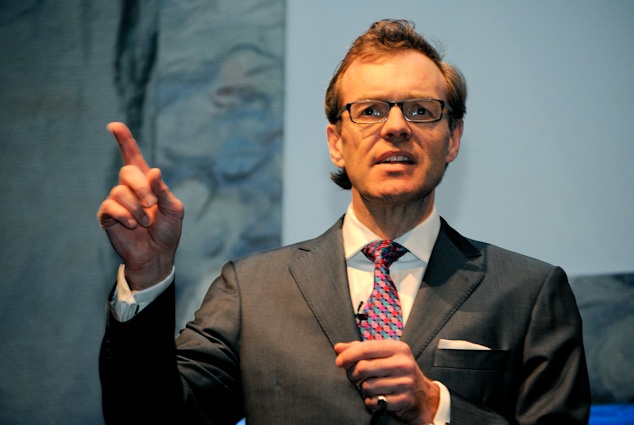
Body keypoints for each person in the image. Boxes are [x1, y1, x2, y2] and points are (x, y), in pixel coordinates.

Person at [98, 19, 590, 425]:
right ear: (336, 142)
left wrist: (435, 408)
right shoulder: (251, 291)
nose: (396, 127)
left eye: (421, 110)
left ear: (453, 138)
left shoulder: (528, 293)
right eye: (370, 110)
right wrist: (147, 275)